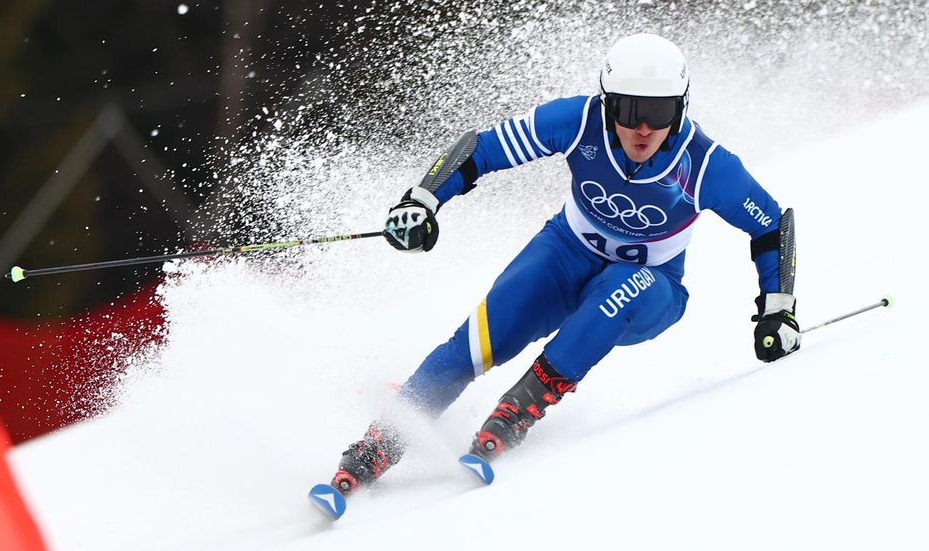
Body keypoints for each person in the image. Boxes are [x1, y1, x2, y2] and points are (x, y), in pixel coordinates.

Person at [327, 33, 800, 495]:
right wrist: (423, 200)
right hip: (565, 253)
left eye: (658, 113)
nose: (643, 128)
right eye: (629, 110)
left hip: (653, 286)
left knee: (620, 288)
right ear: (607, 103)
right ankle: (380, 442)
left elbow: (771, 225)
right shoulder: (578, 120)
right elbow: (483, 149)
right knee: (480, 339)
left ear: (680, 110)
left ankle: (521, 409)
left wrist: (778, 309)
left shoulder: (705, 164)